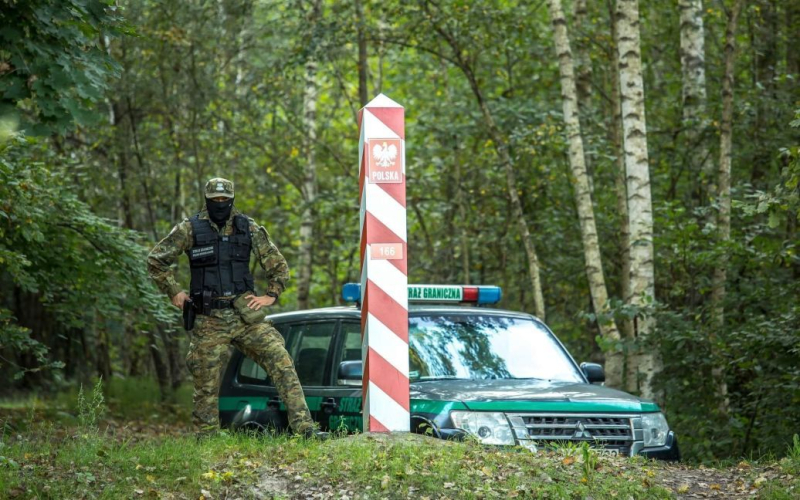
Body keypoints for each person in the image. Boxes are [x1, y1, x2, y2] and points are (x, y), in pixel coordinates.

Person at [147, 177, 326, 438]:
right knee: (205, 383)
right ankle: (206, 439)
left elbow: (278, 266)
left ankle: (305, 429)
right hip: (209, 318)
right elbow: (155, 261)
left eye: (224, 200)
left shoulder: (248, 228)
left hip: (245, 315)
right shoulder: (190, 229)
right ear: (207, 200)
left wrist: (271, 295)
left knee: (281, 361)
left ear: (232, 200)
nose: (220, 204)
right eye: (215, 200)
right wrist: (174, 291)